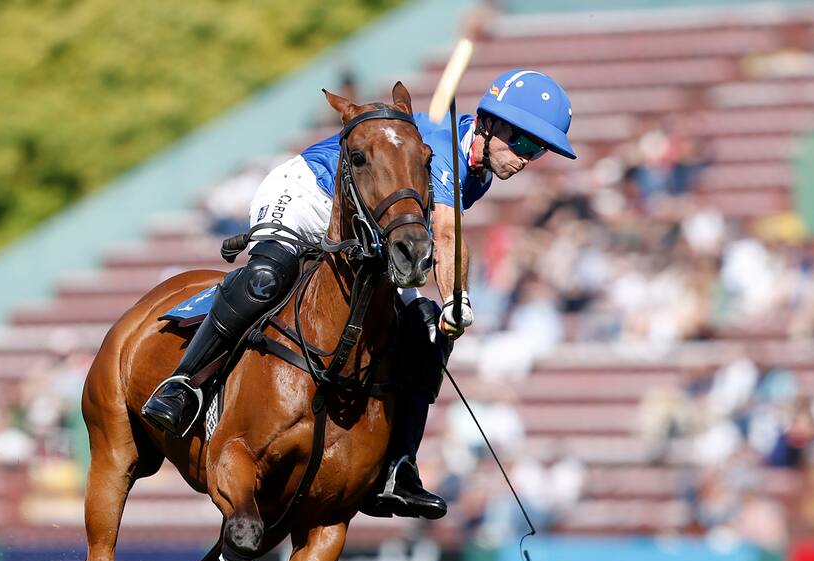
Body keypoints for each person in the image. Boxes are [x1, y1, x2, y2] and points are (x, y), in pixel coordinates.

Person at [141, 69, 577, 518]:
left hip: (365, 223)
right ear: (491, 124)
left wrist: (441, 310)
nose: (528, 158)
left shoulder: (479, 171)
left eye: (538, 150)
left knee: (425, 330)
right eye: (524, 143)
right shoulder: (445, 150)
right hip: (312, 190)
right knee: (266, 278)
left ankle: (398, 468)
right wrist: (456, 299)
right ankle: (181, 385)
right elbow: (445, 235)